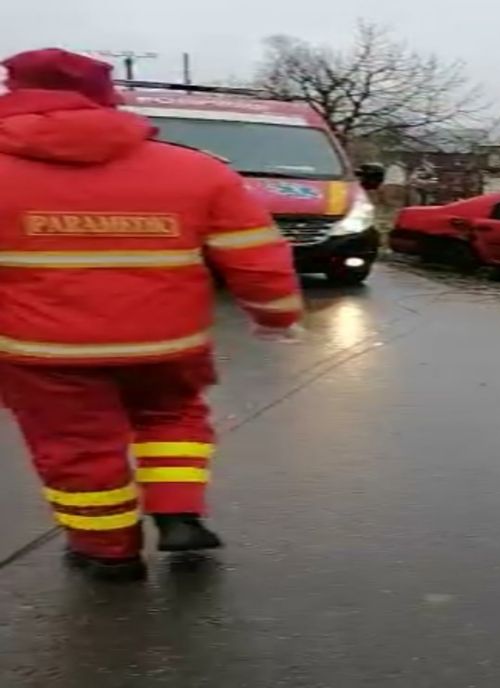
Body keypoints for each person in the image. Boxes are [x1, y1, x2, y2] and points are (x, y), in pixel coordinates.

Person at [0, 48, 303, 581]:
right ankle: (178, 512)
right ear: (106, 95)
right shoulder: (195, 170)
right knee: (172, 418)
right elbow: (258, 256)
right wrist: (275, 317)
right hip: (167, 343)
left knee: (77, 448)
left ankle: (108, 551)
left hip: (44, 351)